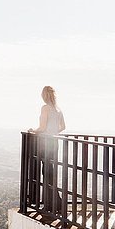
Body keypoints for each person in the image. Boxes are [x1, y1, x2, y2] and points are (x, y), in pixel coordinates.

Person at [28, 86, 65, 214]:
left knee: (46, 172)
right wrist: (53, 132)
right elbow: (63, 127)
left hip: (45, 142)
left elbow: (42, 127)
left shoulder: (45, 108)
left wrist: (33, 130)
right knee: (51, 172)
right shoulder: (58, 109)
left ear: (44, 95)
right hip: (54, 143)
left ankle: (51, 204)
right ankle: (56, 203)